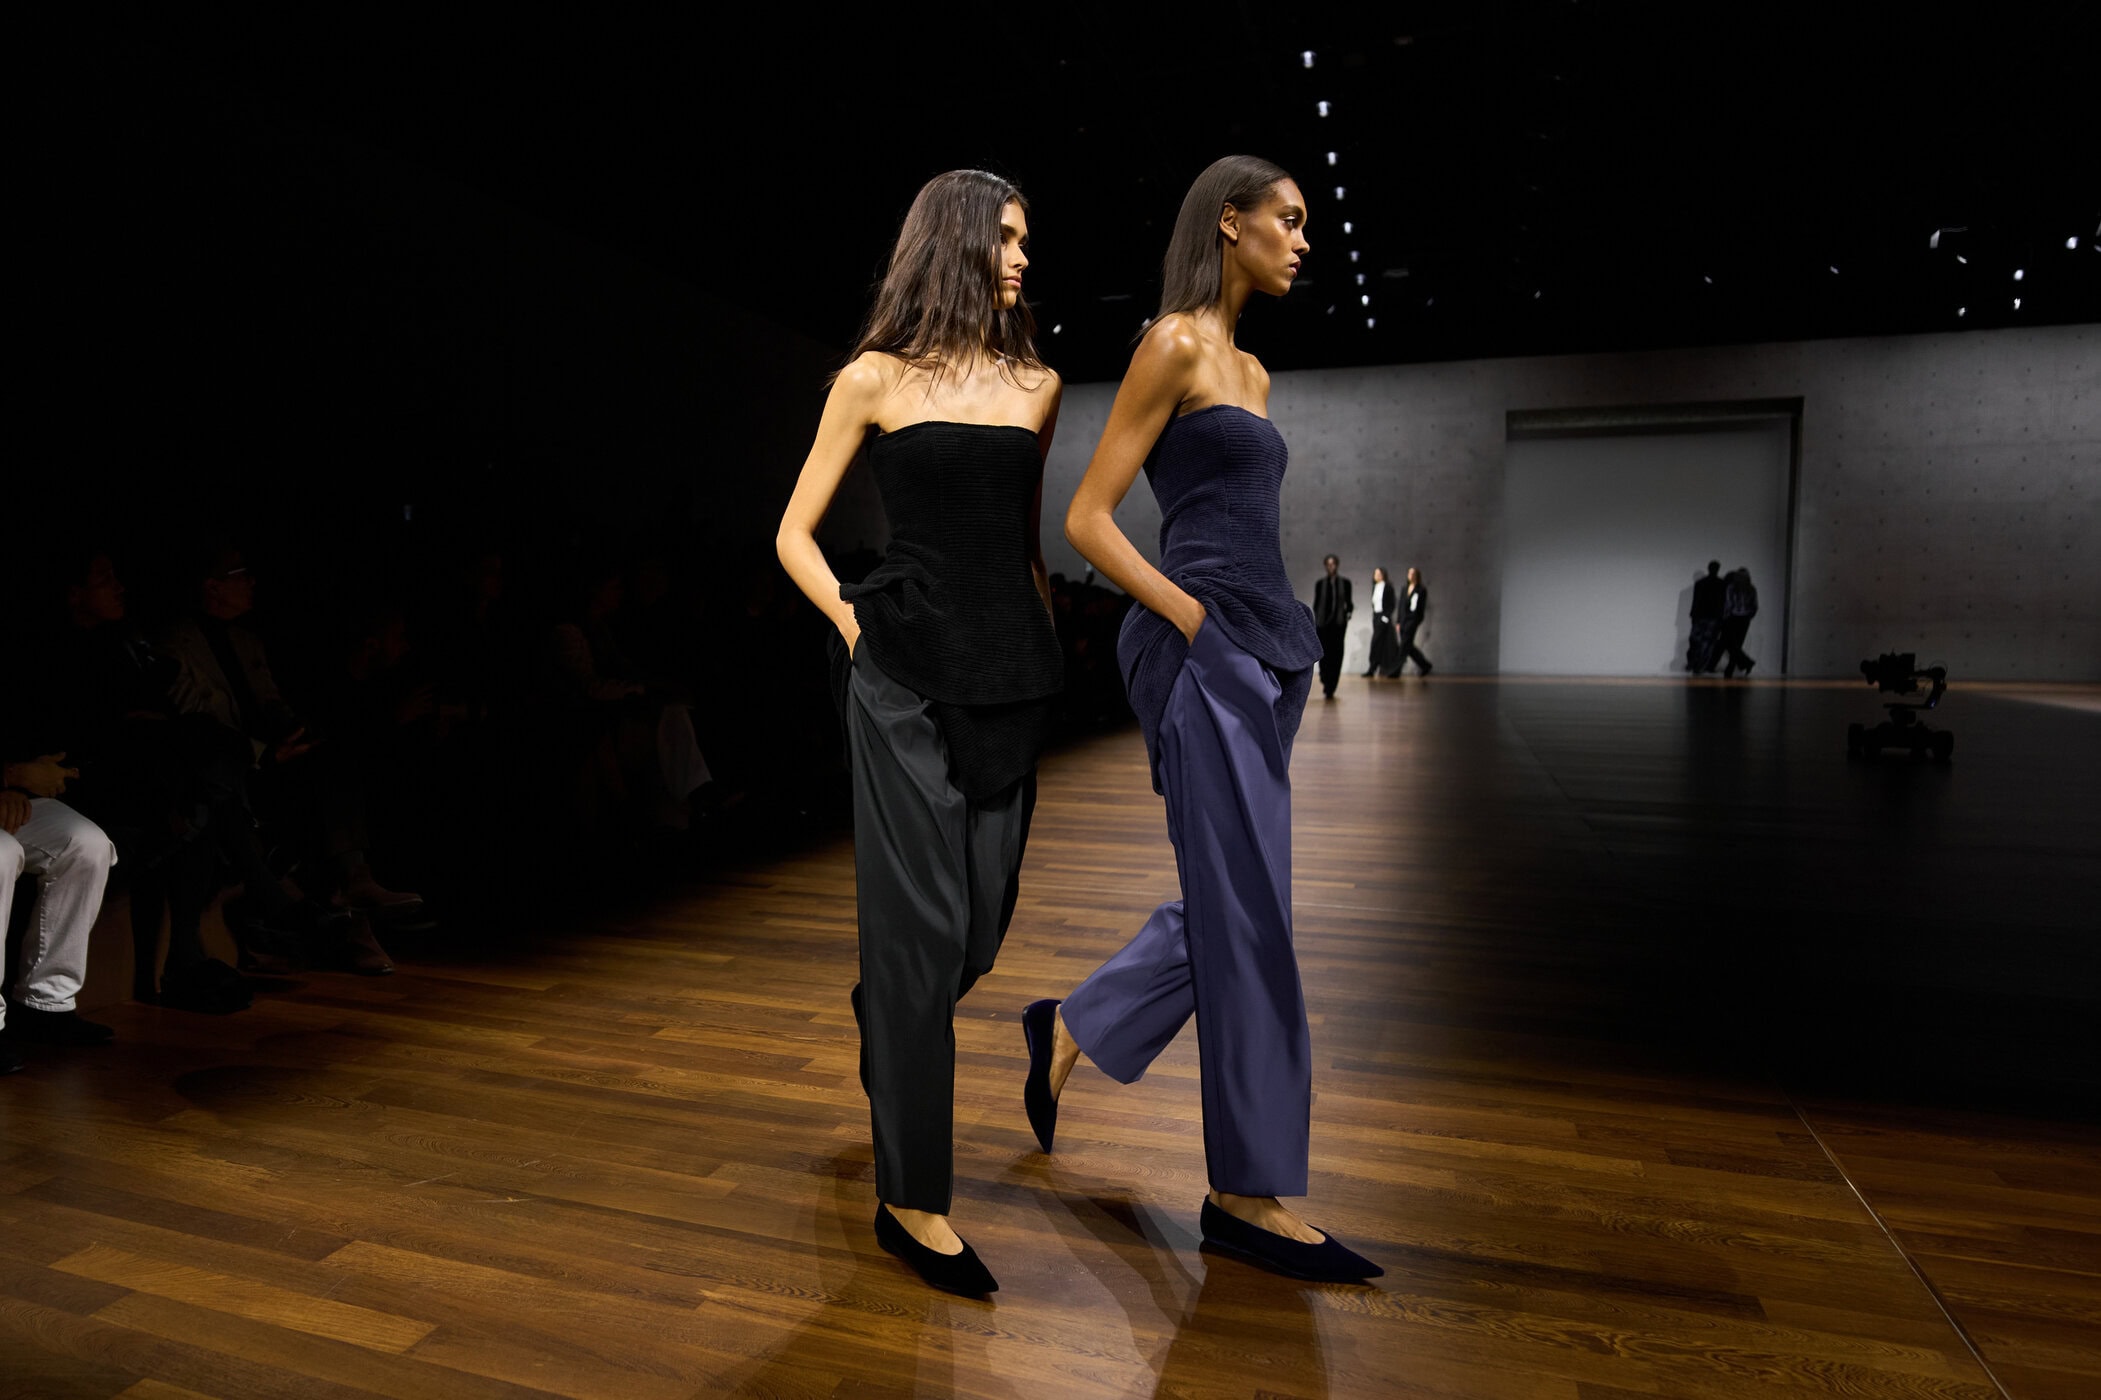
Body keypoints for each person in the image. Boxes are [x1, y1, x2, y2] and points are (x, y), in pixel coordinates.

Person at [1022, 154, 1382, 1283]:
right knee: (1253, 919)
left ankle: (1071, 1024)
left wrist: (1261, 642)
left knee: (1240, 901)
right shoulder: (1171, 344)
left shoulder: (1256, 372)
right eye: (1288, 219)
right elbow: (1086, 517)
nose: (1303, 240)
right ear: (1229, 223)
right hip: (1198, 647)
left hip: (1268, 649)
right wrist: (1191, 619)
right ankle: (1244, 1194)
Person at [775, 169, 1063, 1296]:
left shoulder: (1037, 384)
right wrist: (855, 627)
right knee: (921, 934)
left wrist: (1047, 645)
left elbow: (1023, 545)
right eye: (1007, 236)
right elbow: (794, 533)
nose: (1023, 256)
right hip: (899, 672)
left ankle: (888, 1013)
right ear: (954, 240)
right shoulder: (874, 377)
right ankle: (914, 1202)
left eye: (1026, 239)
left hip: (1010, 674)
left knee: (972, 934)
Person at [1, 752, 119, 1071]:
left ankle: (44, 1006)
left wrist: (19, 782)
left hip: (11, 792)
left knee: (86, 844)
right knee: (2, 854)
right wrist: (9, 776)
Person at [1311, 553, 1352, 698]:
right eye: (1328, 564)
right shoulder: (1320, 584)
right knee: (1324, 654)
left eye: (1333, 564)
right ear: (1325, 566)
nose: (1331, 567)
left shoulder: (1345, 583)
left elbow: (1349, 603)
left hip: (1338, 626)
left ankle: (1332, 685)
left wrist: (1347, 616)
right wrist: (1316, 619)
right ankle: (1325, 679)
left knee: (1337, 655)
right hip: (1323, 625)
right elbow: (1316, 604)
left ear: (1337, 565)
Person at [1718, 567, 1758, 679]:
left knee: (1730, 644)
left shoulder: (1732, 587)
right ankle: (1740, 665)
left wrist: (1725, 618)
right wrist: (1749, 615)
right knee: (1736, 644)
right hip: (1744, 619)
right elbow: (1754, 606)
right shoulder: (1751, 588)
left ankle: (1740, 665)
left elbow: (1728, 604)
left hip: (1733, 618)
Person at [1363, 565, 1401, 678]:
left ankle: (1376, 669)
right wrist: (1376, 617)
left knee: (1382, 643)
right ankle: (1375, 668)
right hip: (1376, 617)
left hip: (1384, 618)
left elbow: (1392, 604)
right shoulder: (1375, 587)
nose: (1376, 576)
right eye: (1375, 574)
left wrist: (1385, 617)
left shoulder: (1388, 587)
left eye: (1379, 574)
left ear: (1383, 575)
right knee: (1379, 643)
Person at [1687, 560, 1724, 675]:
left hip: (1700, 616)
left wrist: (1693, 615)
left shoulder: (1700, 583)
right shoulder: (1722, 584)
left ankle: (1695, 664)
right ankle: (1699, 665)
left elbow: (1695, 601)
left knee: (1696, 641)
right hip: (1713, 618)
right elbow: (1723, 603)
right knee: (1707, 643)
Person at [1398, 566, 1432, 676]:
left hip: (1412, 620)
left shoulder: (1421, 590)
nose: (1411, 576)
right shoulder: (1404, 589)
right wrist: (1398, 621)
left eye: (1413, 574)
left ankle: (1396, 669)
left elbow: (1421, 608)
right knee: (1408, 646)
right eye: (1409, 573)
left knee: (1404, 645)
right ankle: (1425, 665)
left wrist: (1417, 621)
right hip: (1403, 620)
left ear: (1417, 576)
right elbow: (1401, 606)